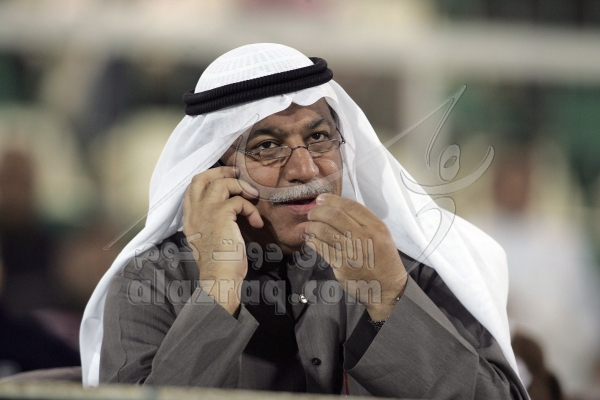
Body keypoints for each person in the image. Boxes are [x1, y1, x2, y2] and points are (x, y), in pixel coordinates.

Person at [81, 43, 528, 398]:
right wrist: (217, 287)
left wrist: (392, 297)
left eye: (319, 137)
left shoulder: (402, 264)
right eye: (267, 146)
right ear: (214, 172)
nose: (305, 169)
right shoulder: (153, 279)